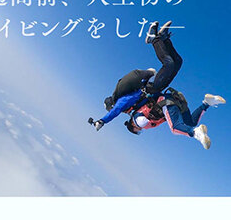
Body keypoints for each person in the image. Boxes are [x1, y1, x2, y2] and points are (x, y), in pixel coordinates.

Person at [92, 22, 226, 148]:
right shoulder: (134, 107)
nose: (140, 130)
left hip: (153, 89)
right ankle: (164, 39)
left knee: (169, 65)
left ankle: (153, 40)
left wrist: (102, 121)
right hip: (161, 93)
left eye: (137, 131)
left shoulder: (124, 104)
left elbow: (116, 111)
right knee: (177, 62)